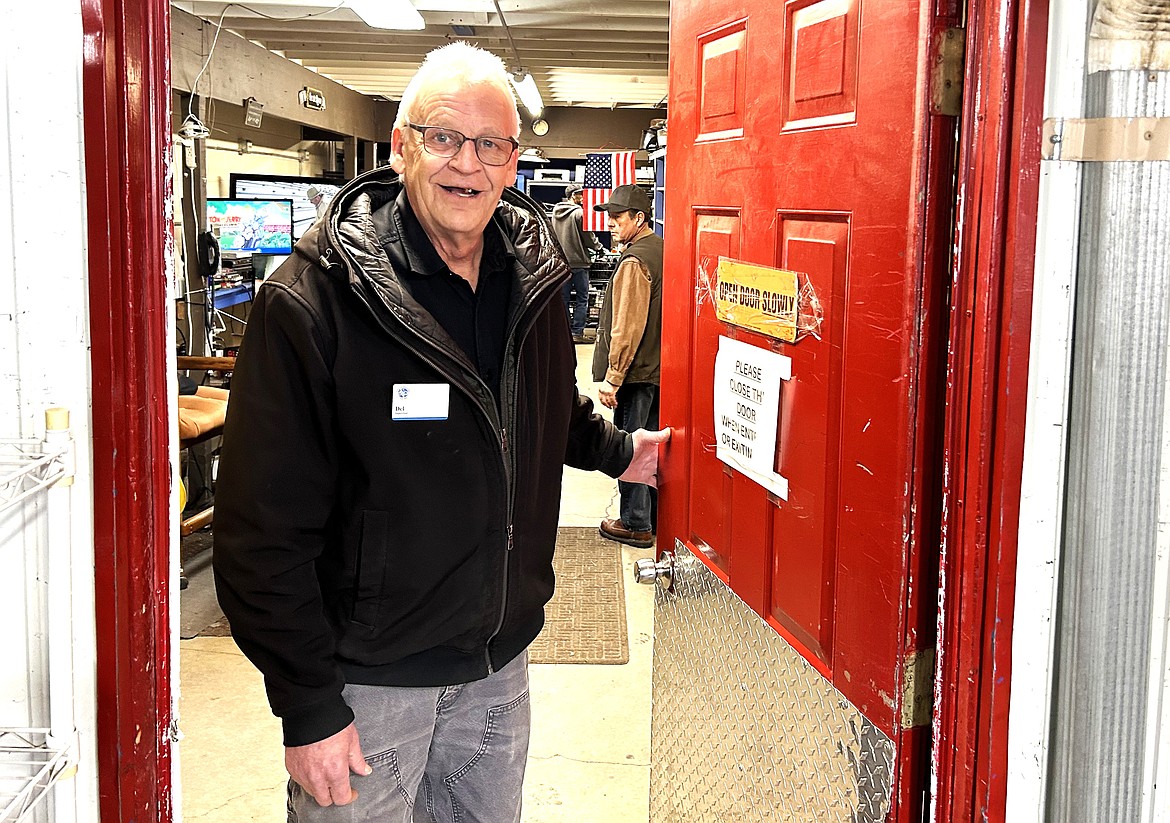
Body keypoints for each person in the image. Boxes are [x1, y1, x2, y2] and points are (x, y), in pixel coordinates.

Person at [212, 42, 669, 823]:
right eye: (444, 137)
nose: (469, 164)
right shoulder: (313, 301)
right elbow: (261, 528)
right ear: (401, 146)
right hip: (368, 679)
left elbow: (546, 405)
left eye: (492, 144)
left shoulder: (532, 277)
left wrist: (627, 453)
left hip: (498, 661)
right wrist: (306, 702)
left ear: (514, 161)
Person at [591, 184, 663, 549]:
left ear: (639, 218)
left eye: (618, 218)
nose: (612, 224)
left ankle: (636, 523)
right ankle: (652, 517)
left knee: (633, 449)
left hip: (635, 374)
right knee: (654, 446)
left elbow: (627, 326)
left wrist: (612, 378)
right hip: (658, 370)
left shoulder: (636, 261)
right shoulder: (661, 250)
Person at [550, 183, 603, 343]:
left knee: (563, 299)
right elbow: (588, 237)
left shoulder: (555, 212)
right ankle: (577, 332)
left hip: (562, 263)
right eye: (580, 194)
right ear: (574, 196)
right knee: (582, 298)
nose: (583, 197)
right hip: (579, 263)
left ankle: (564, 332)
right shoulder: (580, 214)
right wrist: (598, 247)